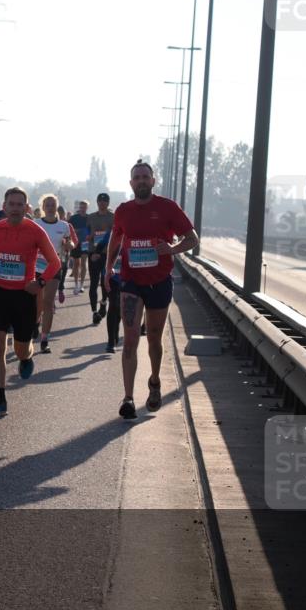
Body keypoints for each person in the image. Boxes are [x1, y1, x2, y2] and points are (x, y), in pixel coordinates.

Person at [105, 160, 198, 419]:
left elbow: (192, 239)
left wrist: (171, 249)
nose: (142, 180)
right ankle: (128, 398)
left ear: (153, 181)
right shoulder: (123, 210)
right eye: (137, 177)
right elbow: (116, 238)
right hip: (131, 281)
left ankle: (154, 381)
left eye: (146, 176)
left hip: (159, 282)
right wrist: (107, 269)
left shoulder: (167, 208)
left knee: (154, 338)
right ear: (131, 183)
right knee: (130, 339)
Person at [0, 187, 61, 417]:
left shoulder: (35, 231)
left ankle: (27, 357)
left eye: (19, 205)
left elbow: (55, 263)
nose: (15, 208)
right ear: (4, 207)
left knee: (21, 349)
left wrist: (40, 283)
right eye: (11, 204)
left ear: (26, 208)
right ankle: (0, 399)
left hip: (25, 296)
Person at [34, 194, 77, 354]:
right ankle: (36, 322)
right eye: (47, 205)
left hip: (54, 266)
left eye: (53, 204)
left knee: (48, 303)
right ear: (43, 207)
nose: (50, 207)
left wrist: (69, 245)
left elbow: (70, 241)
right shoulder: (36, 224)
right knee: (37, 303)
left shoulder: (64, 225)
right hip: (36, 266)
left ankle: (45, 339)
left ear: (56, 207)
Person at [87, 192, 114, 325]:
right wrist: (88, 238)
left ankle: (103, 302)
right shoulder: (91, 217)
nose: (102, 203)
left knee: (105, 282)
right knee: (93, 283)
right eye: (100, 201)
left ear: (108, 203)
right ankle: (94, 312)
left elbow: (117, 235)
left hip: (107, 254)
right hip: (93, 254)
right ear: (97, 202)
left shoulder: (114, 217)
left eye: (105, 201)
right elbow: (86, 235)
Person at [68, 200, 89, 295]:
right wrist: (77, 231)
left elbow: (92, 230)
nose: (82, 209)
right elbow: (68, 229)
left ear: (87, 208)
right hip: (76, 242)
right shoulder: (73, 218)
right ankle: (76, 283)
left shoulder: (89, 218)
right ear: (79, 208)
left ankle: (81, 284)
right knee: (76, 263)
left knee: (84, 262)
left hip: (85, 243)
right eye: (81, 207)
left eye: (84, 207)